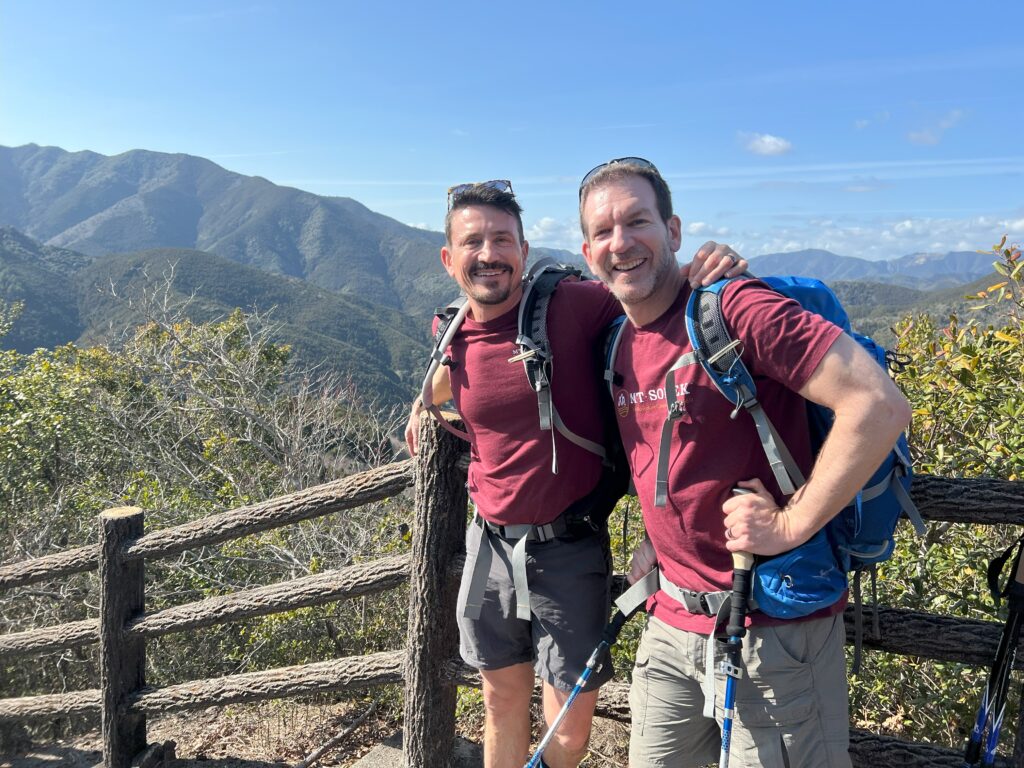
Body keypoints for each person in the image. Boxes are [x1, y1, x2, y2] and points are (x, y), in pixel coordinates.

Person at [578, 157, 912, 768]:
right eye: (603, 231)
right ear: (587, 250)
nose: (620, 243)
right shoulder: (616, 341)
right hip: (671, 622)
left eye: (637, 222)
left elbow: (879, 405)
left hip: (773, 629)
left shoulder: (732, 309)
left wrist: (789, 525)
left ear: (673, 232)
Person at [404, 180, 745, 768]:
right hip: (489, 543)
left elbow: (655, 298)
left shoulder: (573, 305)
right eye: (473, 241)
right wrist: (420, 403)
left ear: (525, 248)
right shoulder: (450, 331)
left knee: (567, 730)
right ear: (448, 257)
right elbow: (455, 382)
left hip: (567, 548)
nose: (489, 253)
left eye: (502, 239)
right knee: (498, 704)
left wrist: (713, 268)